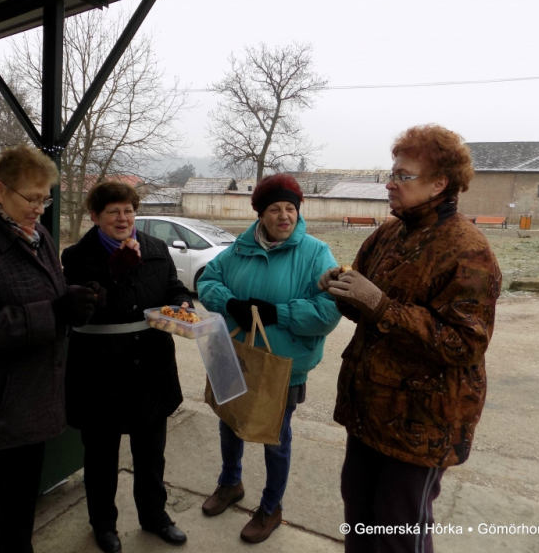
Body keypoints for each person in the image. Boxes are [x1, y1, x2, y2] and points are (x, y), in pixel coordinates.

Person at [319, 124, 501, 553]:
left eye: (403, 176)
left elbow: (464, 344)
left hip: (422, 424)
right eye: (392, 172)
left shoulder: (468, 249)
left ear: (440, 183)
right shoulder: (388, 234)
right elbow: (366, 308)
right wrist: (343, 289)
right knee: (359, 515)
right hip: (370, 410)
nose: (390, 183)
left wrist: (382, 306)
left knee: (399, 529)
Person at [0, 144, 99, 553]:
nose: (40, 208)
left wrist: (74, 301)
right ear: (0, 190)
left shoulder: (37, 235)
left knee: (22, 511)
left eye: (46, 199)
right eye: (32, 198)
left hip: (33, 401)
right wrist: (54, 311)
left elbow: (49, 295)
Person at [197, 173, 342, 544]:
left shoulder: (315, 253)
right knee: (230, 422)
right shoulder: (237, 249)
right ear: (260, 214)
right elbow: (207, 282)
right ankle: (231, 482)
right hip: (232, 355)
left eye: (290, 208)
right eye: (274, 209)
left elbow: (328, 311)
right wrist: (229, 303)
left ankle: (271, 506)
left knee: (275, 437)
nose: (284, 216)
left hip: (282, 365)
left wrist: (278, 314)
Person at [62, 181, 192, 553]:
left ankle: (155, 517)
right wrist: (115, 269)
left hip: (151, 368)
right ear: (96, 216)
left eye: (129, 210)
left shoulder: (155, 248)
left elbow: (173, 288)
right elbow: (84, 307)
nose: (123, 218)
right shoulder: (76, 256)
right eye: (113, 212)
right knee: (101, 458)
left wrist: (182, 305)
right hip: (100, 372)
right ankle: (104, 525)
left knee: (151, 455)